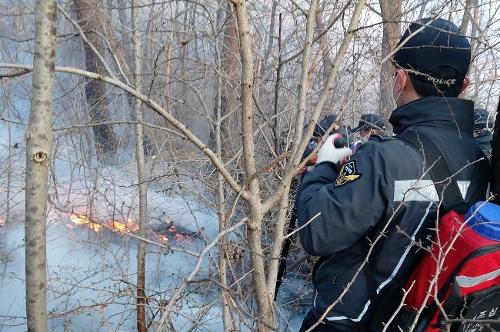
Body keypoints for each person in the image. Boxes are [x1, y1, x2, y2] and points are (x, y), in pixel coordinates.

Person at [296, 18, 490, 331]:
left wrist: (325, 167)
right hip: (421, 319)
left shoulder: (386, 157)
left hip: (349, 321)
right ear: (464, 85)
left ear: (400, 79)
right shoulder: (481, 162)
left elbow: (317, 231)